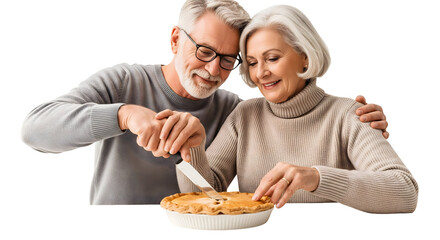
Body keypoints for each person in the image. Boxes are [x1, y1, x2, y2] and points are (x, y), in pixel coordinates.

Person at [21, 0, 388, 205]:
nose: (214, 69)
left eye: (229, 59)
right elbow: (36, 130)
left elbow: (209, 188)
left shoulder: (233, 109)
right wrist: (124, 114)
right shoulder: (124, 83)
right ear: (176, 39)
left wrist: (357, 123)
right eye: (205, 51)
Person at [173, 5, 418, 213]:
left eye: (272, 58)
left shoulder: (348, 115)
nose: (261, 73)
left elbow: (405, 190)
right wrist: (193, 150)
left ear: (305, 57)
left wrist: (317, 178)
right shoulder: (245, 116)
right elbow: (205, 195)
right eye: (252, 63)